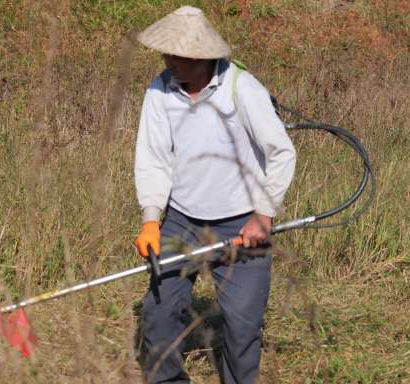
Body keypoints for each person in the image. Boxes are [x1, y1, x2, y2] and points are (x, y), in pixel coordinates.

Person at [133, 6, 296, 383]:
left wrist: (263, 215)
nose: (168, 60)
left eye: (177, 54)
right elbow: (153, 157)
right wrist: (150, 219)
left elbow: (281, 152)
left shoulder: (242, 88)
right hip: (182, 219)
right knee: (158, 317)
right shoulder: (160, 91)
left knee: (241, 329)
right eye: (166, 52)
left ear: (202, 57)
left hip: (242, 220)